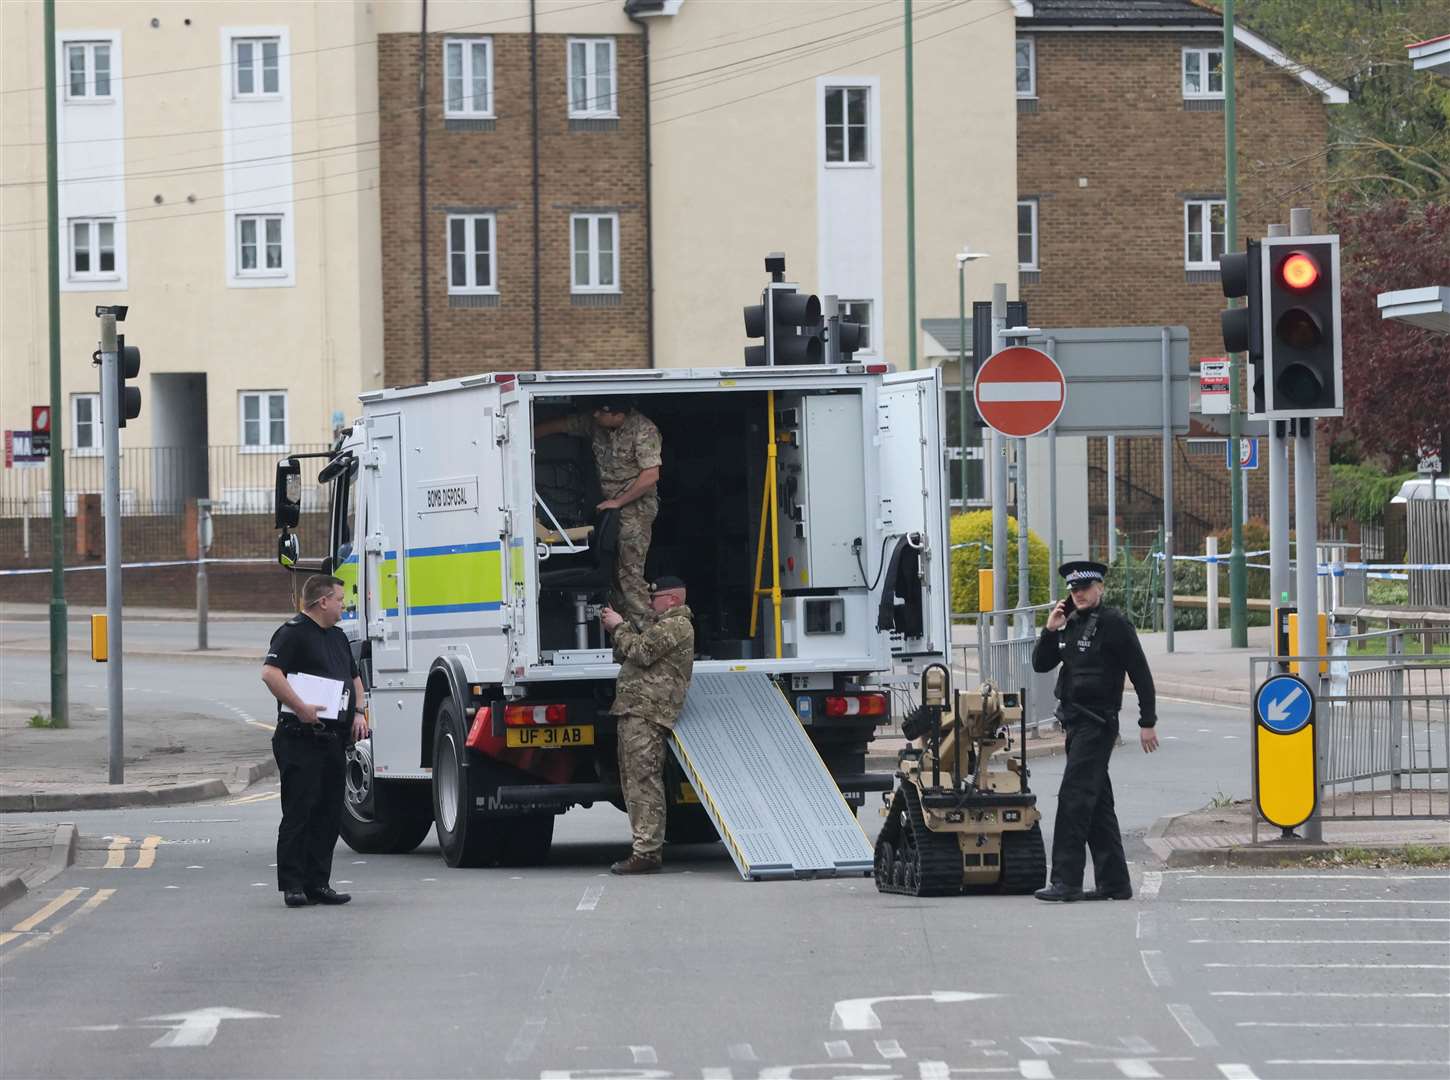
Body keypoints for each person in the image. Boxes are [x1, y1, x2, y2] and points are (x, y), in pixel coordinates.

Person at [1030, 560, 1159, 903]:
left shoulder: (1114, 624)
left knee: (1074, 800)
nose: (1080, 595)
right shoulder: (1069, 623)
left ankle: (1066, 881)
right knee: (1098, 805)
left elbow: (1141, 673)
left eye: (1085, 588)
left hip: (1097, 724)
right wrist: (1051, 629)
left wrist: (1148, 722)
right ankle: (1115, 883)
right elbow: (1041, 663)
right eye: (1074, 590)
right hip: (1074, 723)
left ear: (1100, 587)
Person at [261, 574, 370, 908]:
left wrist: (359, 712)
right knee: (300, 812)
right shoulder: (292, 634)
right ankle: (293, 885)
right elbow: (270, 673)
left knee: (328, 813)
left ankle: (318, 883)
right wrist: (300, 707)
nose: (343, 605)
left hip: (333, 739)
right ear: (323, 601)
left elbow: (353, 678)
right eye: (339, 599)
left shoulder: (336, 638)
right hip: (300, 737)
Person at [600, 575, 695, 875]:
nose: (651, 603)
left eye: (656, 598)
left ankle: (647, 852)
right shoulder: (662, 625)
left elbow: (641, 652)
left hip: (649, 713)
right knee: (633, 780)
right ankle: (643, 846)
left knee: (643, 781)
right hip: (636, 711)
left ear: (673, 600)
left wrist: (618, 626)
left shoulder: (678, 625)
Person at [536, 399, 662, 623]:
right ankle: (624, 630)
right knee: (614, 576)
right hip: (611, 506)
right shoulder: (596, 423)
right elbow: (560, 425)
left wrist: (619, 501)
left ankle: (646, 633)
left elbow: (650, 475)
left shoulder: (643, 430)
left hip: (635, 509)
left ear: (618, 415)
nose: (595, 416)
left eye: (601, 412)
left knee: (630, 574)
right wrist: (524, 434)